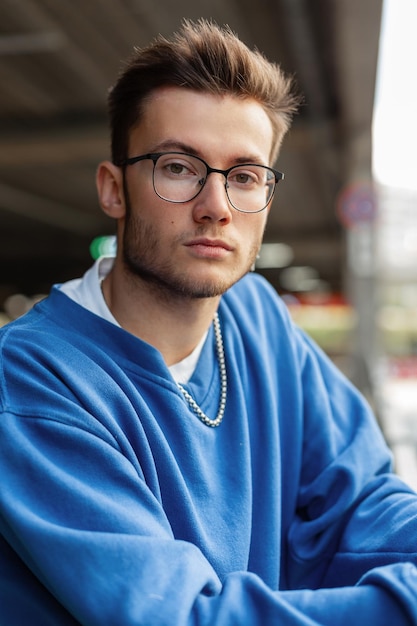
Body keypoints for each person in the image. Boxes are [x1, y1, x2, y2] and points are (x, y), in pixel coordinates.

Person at [1, 18, 417, 626]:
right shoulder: (31, 382)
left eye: (245, 177)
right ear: (114, 190)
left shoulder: (257, 316)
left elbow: (360, 502)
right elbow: (179, 618)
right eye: (177, 167)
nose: (216, 206)